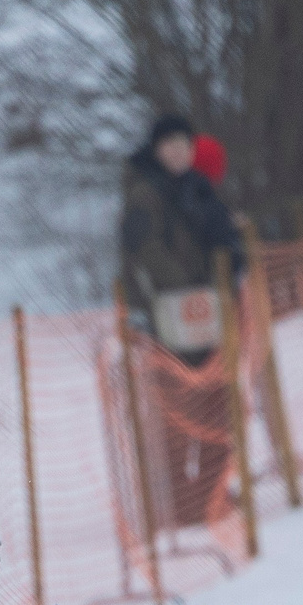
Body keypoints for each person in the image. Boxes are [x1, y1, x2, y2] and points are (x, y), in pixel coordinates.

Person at [118, 112, 244, 527]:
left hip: (205, 311)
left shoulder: (199, 188)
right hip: (166, 317)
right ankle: (179, 503)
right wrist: (189, 284)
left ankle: (209, 493)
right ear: (157, 149)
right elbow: (142, 250)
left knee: (220, 402)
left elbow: (222, 236)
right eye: (169, 144)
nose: (178, 152)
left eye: (184, 144)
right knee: (175, 410)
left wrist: (228, 264)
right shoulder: (143, 194)